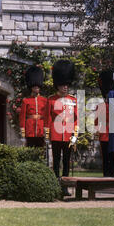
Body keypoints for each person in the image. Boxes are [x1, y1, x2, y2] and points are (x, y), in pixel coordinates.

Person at [45, 60, 78, 196]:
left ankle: (65, 187)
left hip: (68, 135)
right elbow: (47, 119)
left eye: (67, 85)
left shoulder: (73, 100)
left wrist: (75, 134)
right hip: (56, 135)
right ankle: (55, 186)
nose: (65, 87)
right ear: (57, 86)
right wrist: (47, 136)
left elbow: (76, 119)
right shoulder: (51, 100)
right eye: (63, 85)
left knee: (66, 162)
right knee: (56, 161)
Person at [19, 66, 47, 148]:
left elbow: (46, 117)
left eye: (38, 87)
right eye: (35, 87)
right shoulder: (26, 100)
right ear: (31, 88)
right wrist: (23, 135)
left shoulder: (44, 100)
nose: (37, 88)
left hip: (41, 130)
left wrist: (47, 132)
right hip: (30, 130)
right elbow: (22, 118)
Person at [95, 70, 114, 177]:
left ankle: (112, 174)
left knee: (113, 157)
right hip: (104, 135)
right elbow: (96, 122)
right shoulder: (100, 106)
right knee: (106, 157)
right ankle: (106, 175)